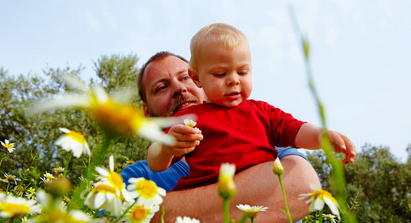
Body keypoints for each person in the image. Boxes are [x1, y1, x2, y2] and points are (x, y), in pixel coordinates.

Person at [144, 25, 356, 219]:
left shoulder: (262, 111)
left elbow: (295, 129)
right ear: (197, 78)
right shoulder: (191, 117)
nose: (234, 79)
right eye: (220, 73)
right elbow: (156, 162)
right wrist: (167, 146)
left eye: (242, 71)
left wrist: (321, 136)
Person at [121, 50, 331, 222]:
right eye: (162, 87)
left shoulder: (259, 135)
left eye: (185, 77)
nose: (179, 88)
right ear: (146, 112)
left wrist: (160, 210)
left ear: (198, 80)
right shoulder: (138, 175)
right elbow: (121, 216)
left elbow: (303, 186)